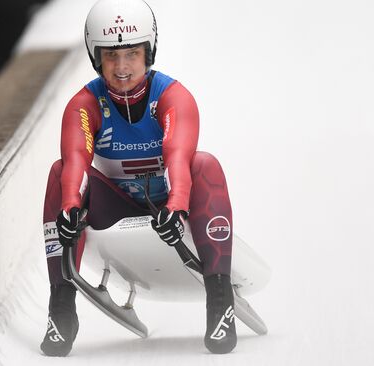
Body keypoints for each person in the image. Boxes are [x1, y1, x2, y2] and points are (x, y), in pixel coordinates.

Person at [40, 0, 236, 356]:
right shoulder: (84, 104)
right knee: (58, 173)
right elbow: (76, 163)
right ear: (95, 57)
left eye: (132, 53)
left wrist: (176, 207)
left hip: (171, 204)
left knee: (205, 164)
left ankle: (221, 303)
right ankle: (61, 309)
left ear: (149, 52)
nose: (122, 67)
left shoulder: (173, 96)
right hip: (118, 206)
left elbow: (178, 156)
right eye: (111, 56)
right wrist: (70, 208)